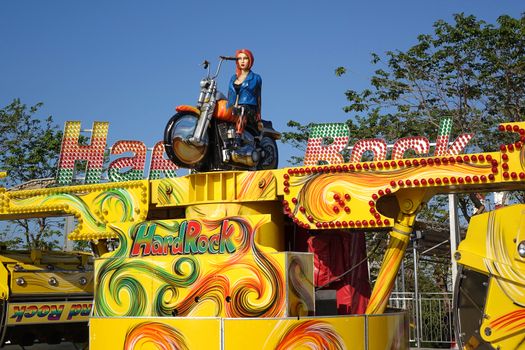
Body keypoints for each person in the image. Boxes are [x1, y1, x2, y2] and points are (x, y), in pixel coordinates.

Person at [227, 49, 262, 147]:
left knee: (242, 109)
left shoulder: (256, 78)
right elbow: (230, 94)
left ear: (250, 60)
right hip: (235, 107)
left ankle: (238, 137)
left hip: (249, 108)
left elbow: (259, 97)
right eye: (240, 59)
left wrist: (259, 117)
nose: (242, 61)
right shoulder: (233, 78)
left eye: (245, 58)